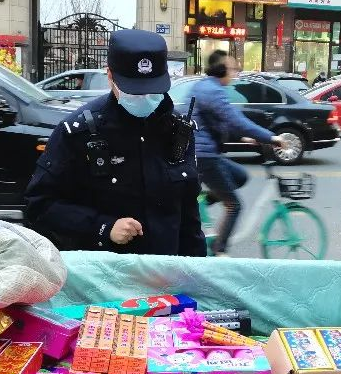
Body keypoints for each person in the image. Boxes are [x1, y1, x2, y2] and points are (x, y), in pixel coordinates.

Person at [25, 29, 206, 256]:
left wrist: (198, 269)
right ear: (110, 76)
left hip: (167, 269)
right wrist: (103, 227)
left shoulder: (177, 129)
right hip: (106, 269)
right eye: (134, 92)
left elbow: (189, 213)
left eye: (153, 91)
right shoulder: (78, 132)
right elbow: (40, 205)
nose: (145, 98)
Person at [192, 50, 285, 256]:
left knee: (240, 176)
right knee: (234, 205)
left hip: (206, 152)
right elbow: (235, 120)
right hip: (204, 156)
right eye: (232, 69)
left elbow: (219, 121)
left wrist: (244, 137)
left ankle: (203, 202)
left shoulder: (208, 87)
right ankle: (219, 250)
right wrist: (271, 138)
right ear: (220, 70)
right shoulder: (212, 91)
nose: (235, 73)